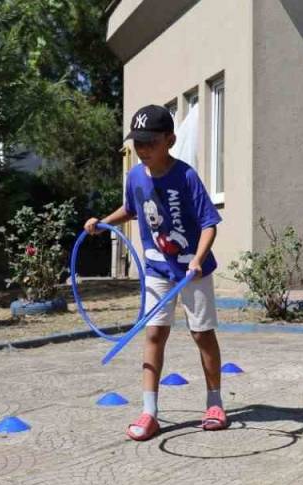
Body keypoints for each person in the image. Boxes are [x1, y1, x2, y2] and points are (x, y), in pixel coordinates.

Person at [83, 105, 227, 441]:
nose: (143, 149)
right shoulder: (135, 176)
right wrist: (103, 223)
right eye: (138, 143)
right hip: (157, 270)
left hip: (192, 271)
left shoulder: (186, 176)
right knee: (154, 335)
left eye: (151, 142)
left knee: (202, 334)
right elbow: (130, 209)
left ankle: (215, 403)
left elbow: (209, 223)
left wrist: (197, 260)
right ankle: (149, 412)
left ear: (170, 141)